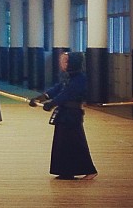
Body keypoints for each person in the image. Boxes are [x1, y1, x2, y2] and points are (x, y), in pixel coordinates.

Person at [29, 51, 97, 180]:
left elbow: (67, 94)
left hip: (73, 114)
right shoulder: (68, 77)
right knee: (63, 142)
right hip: (64, 113)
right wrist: (41, 98)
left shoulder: (80, 79)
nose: (62, 63)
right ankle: (66, 171)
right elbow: (57, 89)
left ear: (73, 63)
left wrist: (52, 103)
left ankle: (90, 170)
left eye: (65, 61)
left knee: (77, 142)